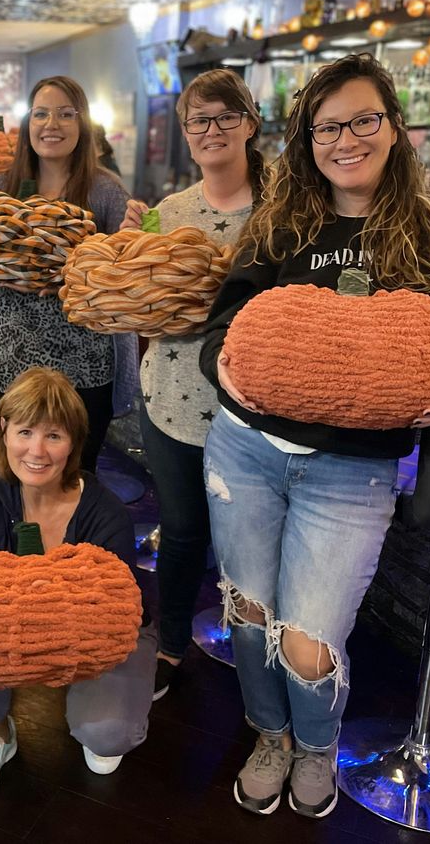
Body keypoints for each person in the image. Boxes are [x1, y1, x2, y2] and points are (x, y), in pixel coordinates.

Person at [199, 53, 430, 819]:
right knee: (250, 612)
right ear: (306, 140)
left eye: (363, 119)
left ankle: (316, 743)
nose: (345, 139)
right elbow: (223, 322)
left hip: (350, 472)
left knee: (308, 641)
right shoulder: (281, 225)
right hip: (245, 449)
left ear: (394, 127)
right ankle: (270, 735)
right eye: (327, 127)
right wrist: (223, 367)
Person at [120, 69, 266, 701]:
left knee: (250, 542)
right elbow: (138, 302)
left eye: (224, 118)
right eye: (197, 121)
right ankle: (172, 641)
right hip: (172, 397)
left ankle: (253, 649)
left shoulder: (282, 215)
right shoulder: (166, 213)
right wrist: (128, 255)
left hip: (256, 409)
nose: (211, 131)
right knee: (180, 532)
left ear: (250, 124)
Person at [0, 367, 155, 807]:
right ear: (2, 429)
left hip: (97, 634)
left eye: (54, 436)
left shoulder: (107, 514)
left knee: (107, 735)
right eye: (25, 431)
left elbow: (114, 614)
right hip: (15, 621)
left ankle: (89, 709)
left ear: (74, 442)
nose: (37, 451)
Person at [0, 75, 132, 473]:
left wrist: (78, 275)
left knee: (73, 479)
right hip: (11, 363)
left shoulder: (106, 192)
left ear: (83, 124)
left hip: (85, 366)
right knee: (2, 477)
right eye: (41, 113)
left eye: (66, 114)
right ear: (28, 124)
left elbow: (125, 283)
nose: (52, 124)